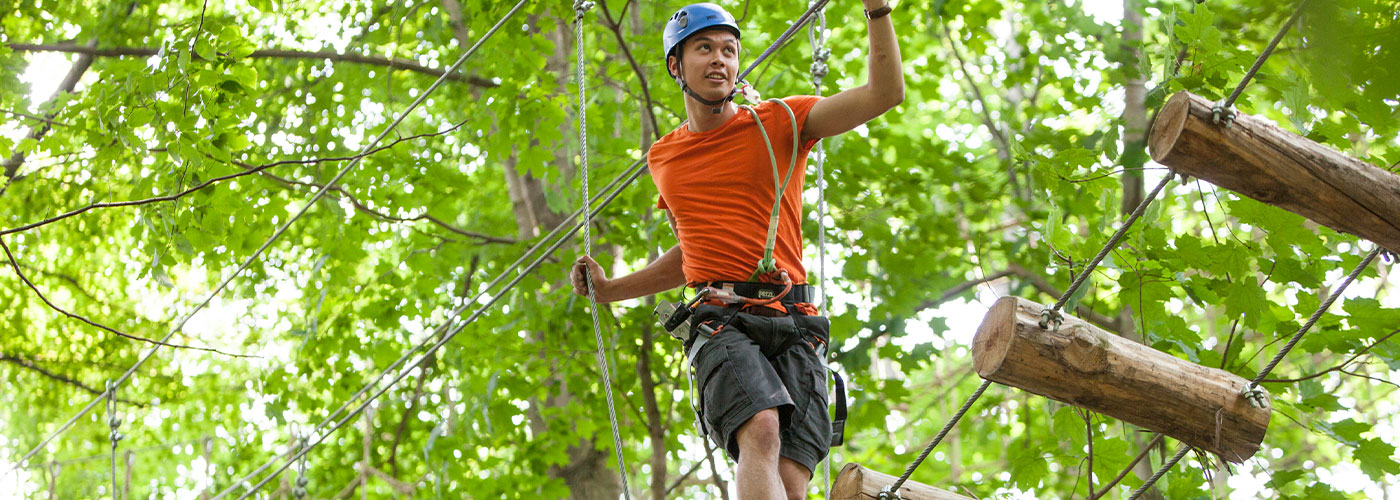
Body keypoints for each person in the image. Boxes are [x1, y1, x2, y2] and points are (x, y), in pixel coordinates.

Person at [569, 2, 902, 498]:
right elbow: (693, 251)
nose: (719, 59)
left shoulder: (782, 120)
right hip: (722, 319)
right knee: (760, 427)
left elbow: (884, 94)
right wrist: (610, 290)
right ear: (676, 65)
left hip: (795, 320)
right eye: (704, 48)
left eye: (729, 50)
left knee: (792, 481)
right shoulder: (665, 158)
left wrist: (877, 11)